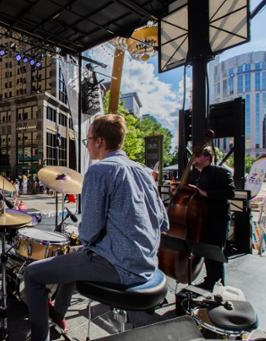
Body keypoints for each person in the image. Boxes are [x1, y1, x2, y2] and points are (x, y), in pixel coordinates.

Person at [23, 114, 169, 341]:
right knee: (73, 255)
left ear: (100, 142)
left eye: (88, 139)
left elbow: (89, 232)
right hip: (147, 263)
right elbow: (164, 222)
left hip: (119, 266)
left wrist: (85, 239)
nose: (88, 145)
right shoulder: (143, 172)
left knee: (32, 274)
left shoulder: (100, 170)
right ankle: (58, 315)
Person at [188, 146, 235, 291]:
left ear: (207, 157)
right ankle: (210, 281)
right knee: (207, 252)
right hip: (203, 219)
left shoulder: (221, 172)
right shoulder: (197, 174)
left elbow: (230, 192)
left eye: (198, 156)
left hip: (217, 219)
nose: (195, 159)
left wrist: (206, 193)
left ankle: (218, 286)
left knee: (214, 252)